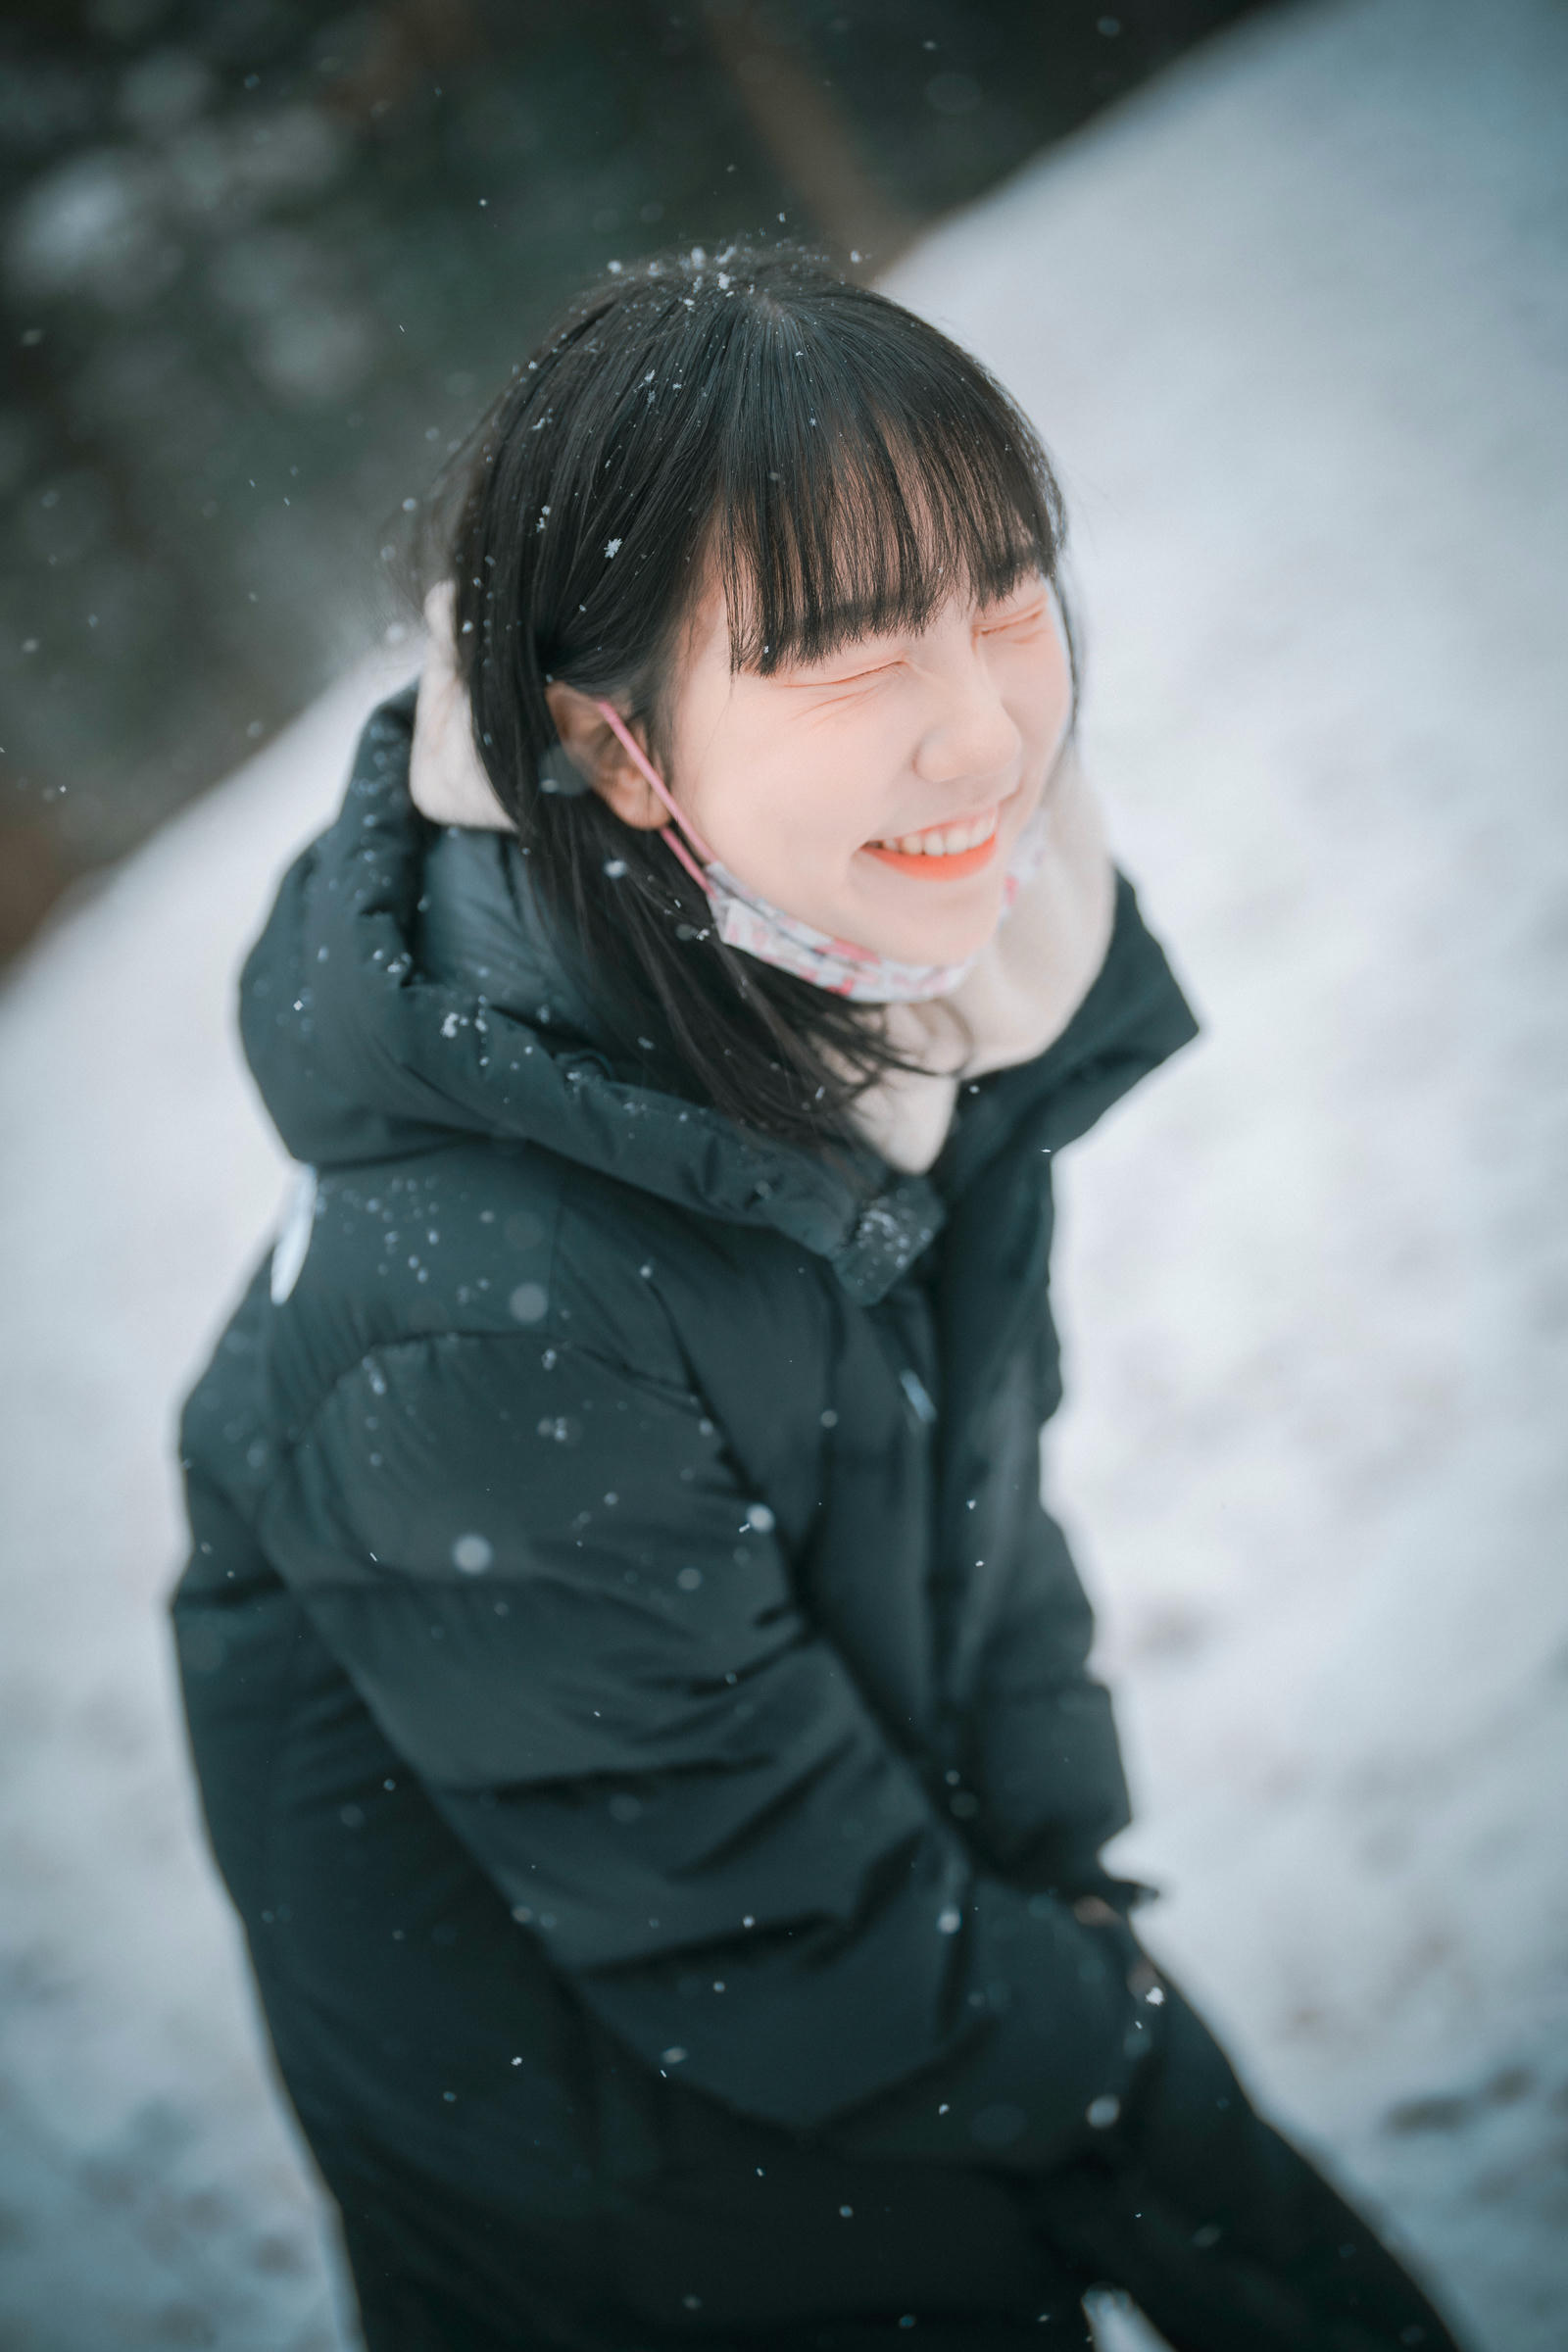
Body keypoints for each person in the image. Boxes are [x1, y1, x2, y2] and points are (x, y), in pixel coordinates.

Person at [172, 243, 1469, 2352]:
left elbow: (963, 1522)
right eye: (848, 650)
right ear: (607, 749)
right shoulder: (479, 1313)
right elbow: (766, 1924)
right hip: (673, 2220)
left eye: (1004, 591)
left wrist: (1062, 1872)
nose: (985, 727)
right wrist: (1118, 2061)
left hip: (886, 2052)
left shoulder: (902, 1013)